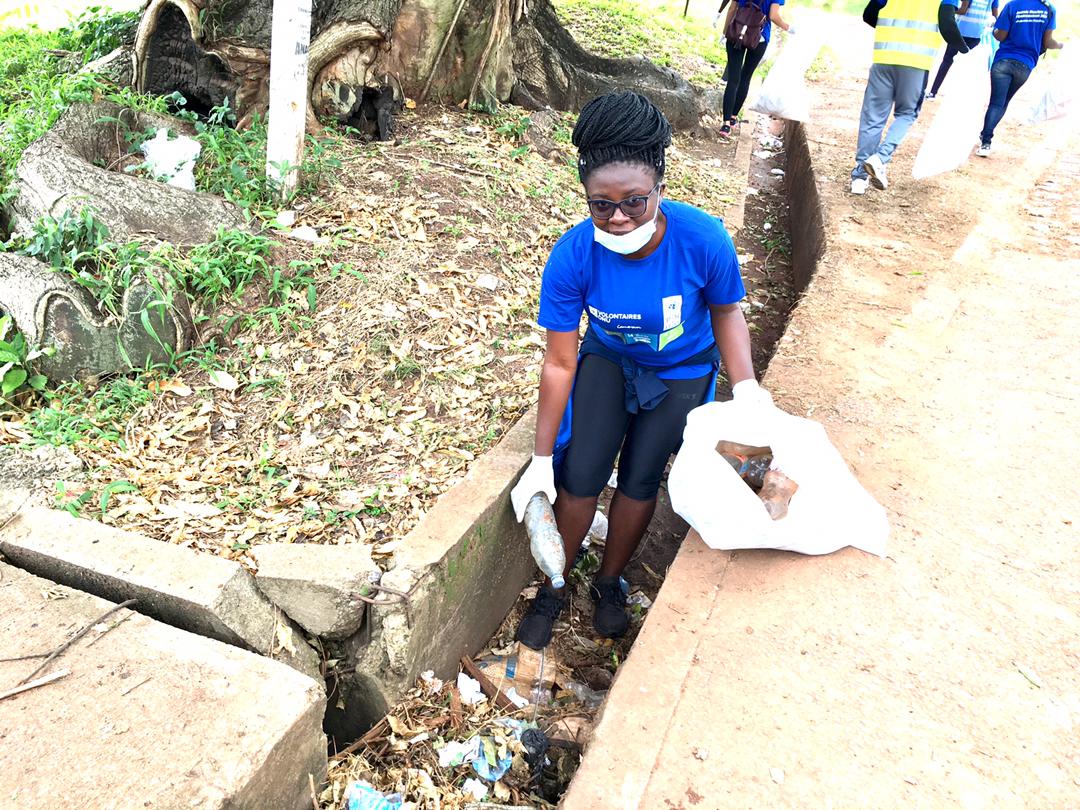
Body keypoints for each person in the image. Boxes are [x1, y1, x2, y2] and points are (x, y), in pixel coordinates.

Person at [509, 91, 771, 651]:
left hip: (681, 369)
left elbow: (726, 310)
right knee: (580, 473)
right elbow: (559, 362)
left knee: (640, 476)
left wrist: (745, 387)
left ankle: (610, 581)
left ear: (660, 186)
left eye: (634, 201)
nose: (619, 217)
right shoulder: (575, 256)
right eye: (601, 205)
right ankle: (553, 587)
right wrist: (538, 458)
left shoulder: (703, 239)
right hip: (608, 359)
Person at [851, 0, 970, 194]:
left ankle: (859, 178)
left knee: (872, 117)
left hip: (884, 58)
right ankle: (880, 158)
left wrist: (892, 31)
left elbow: (869, 14)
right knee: (907, 114)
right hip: (916, 61)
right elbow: (947, 22)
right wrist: (965, 50)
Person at [977, 0, 1063, 157]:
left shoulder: (1012, 5)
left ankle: (986, 141)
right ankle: (986, 136)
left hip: (1003, 61)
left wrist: (993, 30)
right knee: (1003, 103)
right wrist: (1060, 45)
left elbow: (1001, 36)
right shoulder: (1049, 9)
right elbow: (1047, 42)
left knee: (996, 103)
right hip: (1025, 65)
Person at [718, 0, 794, 139]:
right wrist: (788, 27)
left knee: (733, 80)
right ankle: (734, 117)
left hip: (737, 31)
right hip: (760, 37)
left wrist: (724, 33)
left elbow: (732, 8)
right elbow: (773, 15)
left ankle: (726, 124)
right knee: (746, 77)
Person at [926, 0, 999, 99]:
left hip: (960, 32)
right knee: (969, 66)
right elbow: (995, 16)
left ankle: (933, 92)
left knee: (947, 60)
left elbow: (963, 10)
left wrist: (949, 11)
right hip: (977, 34)